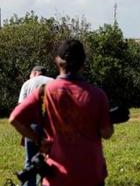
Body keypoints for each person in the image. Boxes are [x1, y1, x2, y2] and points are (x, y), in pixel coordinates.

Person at [9, 39, 113, 186]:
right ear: (83, 63)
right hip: (91, 173)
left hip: (56, 174)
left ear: (57, 61)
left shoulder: (46, 91)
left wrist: (38, 140)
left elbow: (14, 119)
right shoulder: (97, 94)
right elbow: (106, 133)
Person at [17, 66, 54, 186]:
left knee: (30, 160)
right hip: (51, 127)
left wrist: (24, 131)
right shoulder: (54, 82)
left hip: (32, 126)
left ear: (35, 73)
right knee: (51, 160)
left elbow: (21, 107)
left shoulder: (28, 83)